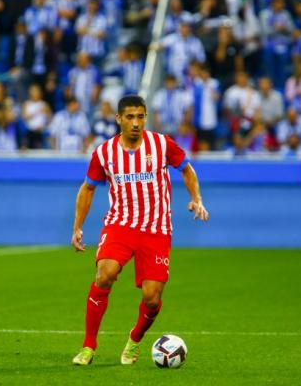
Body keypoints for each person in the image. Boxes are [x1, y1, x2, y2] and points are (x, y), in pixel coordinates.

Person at [71, 95, 209, 366]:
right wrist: (77, 227)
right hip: (120, 225)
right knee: (105, 274)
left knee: (152, 296)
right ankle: (88, 346)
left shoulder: (161, 144)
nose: (136, 123)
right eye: (130, 117)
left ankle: (134, 340)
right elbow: (88, 188)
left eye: (141, 117)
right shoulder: (104, 153)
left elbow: (187, 170)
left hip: (156, 229)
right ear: (118, 119)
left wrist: (197, 198)